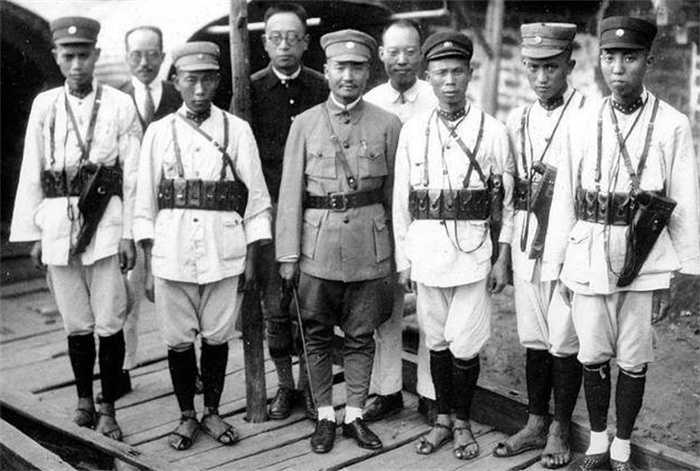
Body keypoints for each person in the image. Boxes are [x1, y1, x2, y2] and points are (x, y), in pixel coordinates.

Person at [543, 16, 700, 471]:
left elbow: (684, 200)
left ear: (649, 60)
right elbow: (564, 199)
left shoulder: (671, 124)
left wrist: (683, 273)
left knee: (633, 356)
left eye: (629, 58)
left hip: (644, 253)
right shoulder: (581, 120)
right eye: (609, 57)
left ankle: (623, 444)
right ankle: (597, 440)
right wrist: (557, 266)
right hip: (588, 251)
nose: (617, 68)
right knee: (592, 353)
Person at [133, 41, 272, 451]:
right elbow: (144, 204)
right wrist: (148, 264)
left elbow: (257, 200)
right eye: (190, 80)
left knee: (216, 336)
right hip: (172, 252)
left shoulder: (236, 130)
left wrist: (252, 256)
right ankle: (186, 415)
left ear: (217, 81)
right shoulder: (159, 132)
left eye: (208, 80)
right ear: (175, 81)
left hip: (222, 250)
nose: (199, 89)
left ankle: (212, 411)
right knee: (177, 339)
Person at [9, 16, 141, 440]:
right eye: (69, 56)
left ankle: (109, 407)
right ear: (56, 57)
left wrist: (129, 234)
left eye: (84, 55)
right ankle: (84, 400)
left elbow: (133, 175)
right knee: (76, 321)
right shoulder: (45, 105)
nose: (77, 64)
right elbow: (32, 168)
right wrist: (32, 233)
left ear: (96, 55)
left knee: (109, 319)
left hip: (106, 222)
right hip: (57, 222)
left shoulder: (119, 104)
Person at [276, 29, 402, 454]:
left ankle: (356, 414)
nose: (349, 76)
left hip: (371, 249)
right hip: (318, 251)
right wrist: (288, 256)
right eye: (341, 67)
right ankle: (325, 416)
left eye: (357, 68)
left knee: (361, 335)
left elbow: (394, 198)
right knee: (315, 334)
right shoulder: (305, 124)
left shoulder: (388, 124)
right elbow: (290, 195)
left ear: (369, 72)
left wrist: (397, 257)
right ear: (326, 70)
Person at [392, 31, 513, 461]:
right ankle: (442, 420)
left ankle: (462, 422)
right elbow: (401, 201)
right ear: (428, 76)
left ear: (470, 73)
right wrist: (403, 258)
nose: (449, 81)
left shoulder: (492, 131)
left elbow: (509, 203)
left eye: (457, 72)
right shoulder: (414, 131)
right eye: (441, 73)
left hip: (474, 253)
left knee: (465, 342)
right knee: (437, 339)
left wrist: (502, 257)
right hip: (427, 252)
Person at [492, 23, 587, 469]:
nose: (543, 77)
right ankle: (534, 421)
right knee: (533, 337)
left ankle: (560, 427)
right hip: (527, 240)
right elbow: (511, 195)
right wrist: (504, 252)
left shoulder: (588, 115)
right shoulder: (518, 119)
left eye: (552, 67)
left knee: (565, 338)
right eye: (534, 68)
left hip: (569, 241)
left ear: (570, 65)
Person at [95, 25, 183, 402]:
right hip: (130, 211)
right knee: (125, 293)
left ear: (163, 56)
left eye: (151, 54)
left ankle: (188, 368)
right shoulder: (114, 101)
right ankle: (123, 369)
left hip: (175, 210)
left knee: (178, 291)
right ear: (125, 57)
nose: (144, 62)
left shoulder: (180, 96)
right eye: (136, 55)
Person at [250, 2, 328, 421]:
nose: (284, 46)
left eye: (292, 38)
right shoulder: (250, 90)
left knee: (312, 304)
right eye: (276, 38)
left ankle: (310, 386)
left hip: (315, 210)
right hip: (270, 209)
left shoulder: (321, 87)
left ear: (305, 42)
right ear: (265, 43)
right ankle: (284, 385)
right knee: (275, 307)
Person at [362, 18, 437, 424]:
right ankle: (387, 389)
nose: (402, 60)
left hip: (428, 218)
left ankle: (430, 393)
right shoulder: (371, 101)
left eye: (410, 51)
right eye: (394, 52)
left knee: (430, 307)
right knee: (385, 308)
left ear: (421, 54)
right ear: (381, 55)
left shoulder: (436, 96)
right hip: (381, 216)